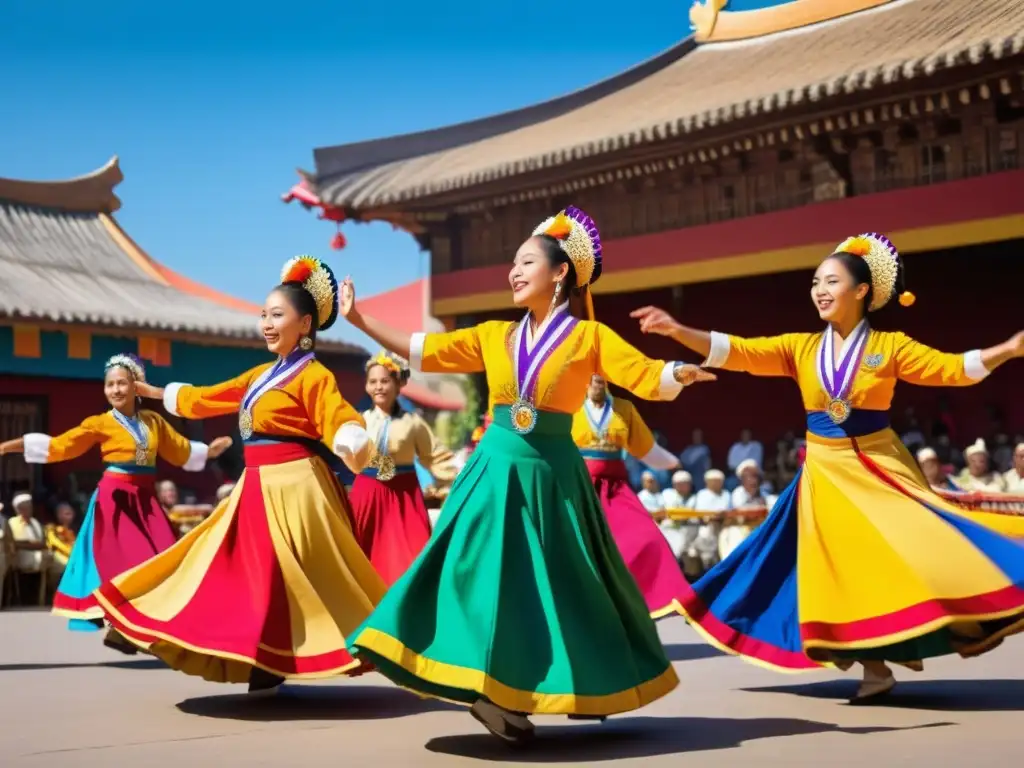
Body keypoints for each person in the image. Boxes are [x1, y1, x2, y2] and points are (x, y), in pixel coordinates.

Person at [343, 205, 713, 743]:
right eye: (512, 265)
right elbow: (426, 350)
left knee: (561, 585)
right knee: (470, 572)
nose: (513, 273)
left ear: (560, 272)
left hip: (552, 476)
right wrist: (359, 319)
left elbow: (644, 374)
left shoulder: (590, 338)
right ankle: (484, 686)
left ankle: (574, 685)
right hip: (493, 471)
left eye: (525, 262)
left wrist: (679, 371)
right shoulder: (493, 335)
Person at [632, 231, 1024, 702]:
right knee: (842, 568)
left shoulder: (890, 346)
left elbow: (951, 368)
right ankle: (876, 663)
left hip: (879, 469)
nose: (819, 289)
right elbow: (738, 350)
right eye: (816, 280)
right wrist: (677, 331)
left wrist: (1007, 349)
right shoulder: (800, 348)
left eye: (831, 281)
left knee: (920, 547)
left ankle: (902, 640)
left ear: (861, 291)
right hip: (825, 475)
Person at [94, 256, 387, 695]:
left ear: (305, 323)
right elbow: (210, 397)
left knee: (278, 575)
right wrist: (155, 392)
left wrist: (350, 437)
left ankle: (269, 659)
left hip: (295, 485)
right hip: (256, 484)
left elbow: (339, 417)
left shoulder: (315, 375)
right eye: (263, 315)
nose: (266, 323)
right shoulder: (261, 374)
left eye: (276, 315)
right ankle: (149, 614)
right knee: (218, 558)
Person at [0, 355, 231, 649]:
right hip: (115, 500)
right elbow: (60, 446)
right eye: (110, 384)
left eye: (122, 383)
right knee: (126, 563)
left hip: (145, 501)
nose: (115, 390)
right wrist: (8, 446)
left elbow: (179, 451)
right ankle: (120, 627)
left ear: (137, 387)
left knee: (161, 557)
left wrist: (209, 452)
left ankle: (135, 629)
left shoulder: (154, 422)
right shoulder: (99, 423)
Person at [572, 373, 690, 618]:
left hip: (615, 489)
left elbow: (645, 446)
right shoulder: (569, 407)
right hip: (579, 488)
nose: (597, 384)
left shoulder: (623, 409)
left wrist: (671, 462)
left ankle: (649, 598)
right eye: (592, 380)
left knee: (648, 539)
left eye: (601, 381)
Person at [350, 350, 456, 585]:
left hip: (403, 497)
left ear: (398, 384)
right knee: (361, 559)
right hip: (367, 495)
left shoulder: (413, 423)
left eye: (385, 381)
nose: (379, 387)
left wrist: (450, 488)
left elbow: (435, 456)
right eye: (373, 381)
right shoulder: (358, 421)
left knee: (409, 559)